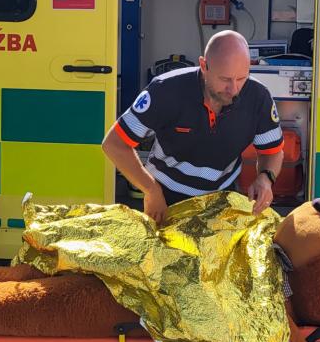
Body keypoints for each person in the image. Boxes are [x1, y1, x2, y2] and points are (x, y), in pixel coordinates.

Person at [102, 30, 284, 224]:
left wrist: (266, 177)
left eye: (241, 78)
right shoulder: (165, 90)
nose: (234, 89)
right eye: (225, 79)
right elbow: (114, 144)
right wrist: (151, 190)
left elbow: (273, 151)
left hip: (223, 201)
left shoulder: (258, 97)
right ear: (204, 66)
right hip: (165, 199)